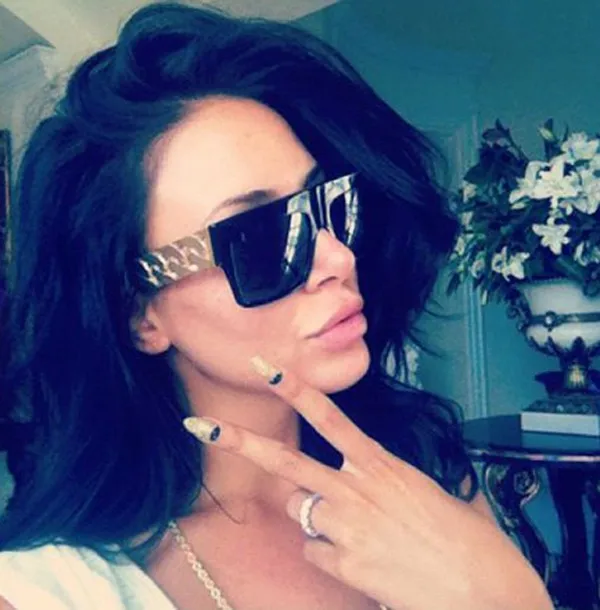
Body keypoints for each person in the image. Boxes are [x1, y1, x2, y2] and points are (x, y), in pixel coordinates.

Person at [0, 3, 552, 609]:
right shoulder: (45, 591)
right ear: (141, 314)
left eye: (328, 204)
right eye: (257, 238)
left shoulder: (422, 477)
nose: (337, 258)